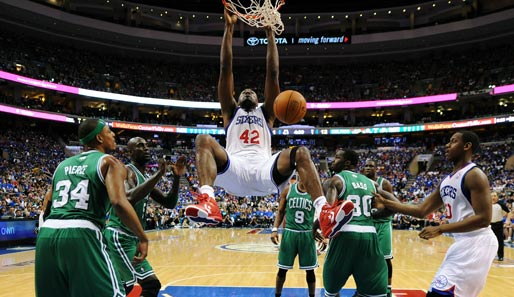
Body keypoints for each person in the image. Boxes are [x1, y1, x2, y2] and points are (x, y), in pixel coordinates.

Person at [185, 9, 352, 234]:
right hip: (233, 168)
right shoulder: (230, 111)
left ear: (259, 100)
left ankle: (324, 212)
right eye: (243, 91)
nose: (246, 92)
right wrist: (229, 28)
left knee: (301, 153)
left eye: (251, 92)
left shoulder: (267, 114)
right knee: (203, 139)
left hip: (264, 169)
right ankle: (208, 200)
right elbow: (225, 69)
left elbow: (272, 74)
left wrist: (270, 34)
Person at [374, 130, 498, 297]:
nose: (447, 145)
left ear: (467, 146)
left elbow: (483, 219)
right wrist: (387, 203)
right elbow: (421, 210)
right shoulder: (446, 180)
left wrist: (441, 228)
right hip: (461, 244)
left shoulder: (474, 175)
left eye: (453, 141)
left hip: (478, 243)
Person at [35, 119, 149, 297]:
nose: (113, 135)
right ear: (99, 138)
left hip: (47, 235)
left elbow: (47, 205)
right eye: (109, 131)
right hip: (82, 233)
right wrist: (142, 237)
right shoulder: (110, 162)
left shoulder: (61, 166)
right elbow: (118, 202)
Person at [104, 137, 187, 297]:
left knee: (146, 286)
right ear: (130, 152)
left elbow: (169, 202)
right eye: (140, 146)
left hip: (132, 239)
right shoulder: (126, 170)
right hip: (119, 235)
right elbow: (128, 197)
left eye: (147, 145)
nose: (146, 148)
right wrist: (158, 175)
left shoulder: (144, 178)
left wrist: (176, 177)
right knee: (132, 288)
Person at [316, 150, 389, 297]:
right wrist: (371, 215)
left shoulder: (334, 181)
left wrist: (315, 227)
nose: (332, 161)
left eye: (336, 158)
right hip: (369, 235)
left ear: (347, 163)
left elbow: (329, 213)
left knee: (331, 292)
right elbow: (392, 207)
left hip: (345, 235)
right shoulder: (372, 183)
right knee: (371, 293)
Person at [270, 177, 318, 297]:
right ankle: (277, 294)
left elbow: (322, 213)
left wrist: (320, 230)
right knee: (282, 269)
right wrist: (274, 229)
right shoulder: (288, 190)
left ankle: (312, 295)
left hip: (307, 234)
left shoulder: (315, 192)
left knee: (310, 270)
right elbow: (280, 211)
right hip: (290, 233)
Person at [363, 159, 395, 297]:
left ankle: (388, 288)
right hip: (367, 224)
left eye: (371, 166)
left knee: (385, 258)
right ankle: (365, 286)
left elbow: (393, 205)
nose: (368, 168)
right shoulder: (361, 183)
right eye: (366, 166)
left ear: (377, 168)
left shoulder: (384, 183)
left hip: (383, 224)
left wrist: (375, 213)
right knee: (365, 258)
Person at [490, 191, 509, 261]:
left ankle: (500, 256)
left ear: (497, 197)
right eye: (492, 196)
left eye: (495, 196)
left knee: (500, 241)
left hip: (499, 225)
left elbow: (509, 212)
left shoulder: (500, 204)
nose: (493, 197)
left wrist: (507, 220)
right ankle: (490, 255)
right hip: (489, 225)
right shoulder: (487, 204)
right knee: (489, 241)